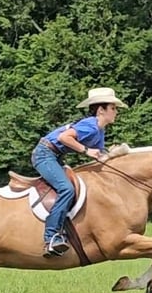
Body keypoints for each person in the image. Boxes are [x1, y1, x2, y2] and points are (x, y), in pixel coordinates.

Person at [31, 87, 128, 258]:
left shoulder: (99, 130)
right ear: (101, 110)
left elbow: (100, 156)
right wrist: (86, 151)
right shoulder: (90, 126)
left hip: (55, 157)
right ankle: (51, 237)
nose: (116, 112)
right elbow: (64, 138)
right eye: (113, 108)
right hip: (44, 154)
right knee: (66, 189)